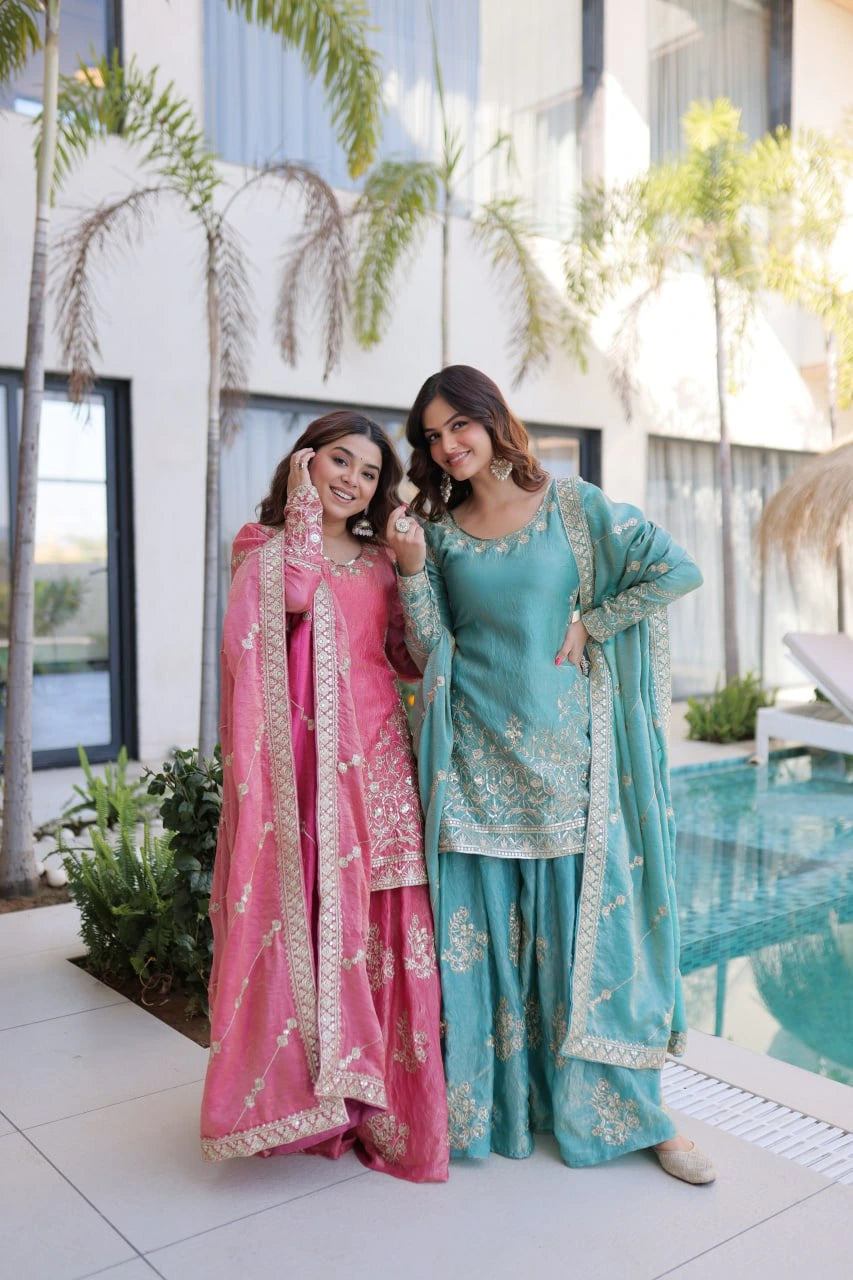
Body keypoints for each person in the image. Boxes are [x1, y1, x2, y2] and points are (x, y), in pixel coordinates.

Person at [387, 366, 714, 1184]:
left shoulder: (575, 508)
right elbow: (429, 651)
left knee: (587, 951)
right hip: (474, 765)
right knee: (489, 947)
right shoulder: (443, 529)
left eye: (455, 425)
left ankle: (633, 1113)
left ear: (493, 419)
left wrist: (591, 622)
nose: (445, 446)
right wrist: (409, 569)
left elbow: (673, 569)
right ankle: (507, 1106)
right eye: (430, 437)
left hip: (570, 766)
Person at [201, 411, 449, 1183]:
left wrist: (411, 569)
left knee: (387, 920)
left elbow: (413, 656)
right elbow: (287, 605)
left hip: (378, 765)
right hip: (304, 774)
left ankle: (391, 1111)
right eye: (338, 462)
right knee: (314, 920)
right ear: (304, 462)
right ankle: (318, 1107)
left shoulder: (381, 558)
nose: (352, 480)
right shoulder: (262, 546)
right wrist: (303, 516)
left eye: (368, 472)